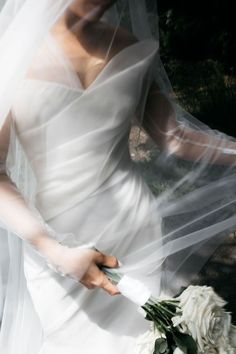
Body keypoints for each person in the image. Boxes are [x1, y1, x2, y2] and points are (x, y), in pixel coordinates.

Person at [0, 0, 236, 353]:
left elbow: (173, 136)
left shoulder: (130, 48)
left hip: (134, 233)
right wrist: (56, 252)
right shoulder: (13, 50)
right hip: (56, 238)